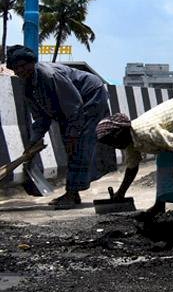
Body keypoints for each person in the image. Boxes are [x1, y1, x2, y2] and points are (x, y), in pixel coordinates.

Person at [6, 45, 114, 208]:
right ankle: (73, 192)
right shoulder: (26, 84)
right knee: (69, 145)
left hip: (90, 95)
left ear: (32, 62)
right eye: (16, 68)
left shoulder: (51, 76)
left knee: (78, 144)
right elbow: (40, 117)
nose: (21, 70)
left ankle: (71, 194)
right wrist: (34, 141)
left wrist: (72, 135)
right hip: (68, 107)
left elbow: (74, 107)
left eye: (23, 65)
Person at [96, 97, 173, 215]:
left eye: (111, 141)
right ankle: (159, 205)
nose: (113, 146)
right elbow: (132, 168)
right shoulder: (130, 141)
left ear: (120, 133)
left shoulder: (145, 132)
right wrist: (121, 192)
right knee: (163, 162)